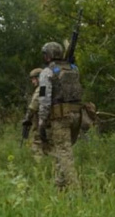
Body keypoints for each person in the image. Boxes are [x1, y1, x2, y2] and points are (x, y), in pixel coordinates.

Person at [38, 42, 83, 189]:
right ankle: (60, 187)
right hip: (77, 116)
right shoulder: (74, 69)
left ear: (48, 55)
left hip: (60, 117)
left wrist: (42, 121)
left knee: (63, 152)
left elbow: (44, 97)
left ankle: (75, 189)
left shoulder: (47, 72)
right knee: (62, 151)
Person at [22, 67, 48, 161]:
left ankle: (39, 166)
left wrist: (27, 118)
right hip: (48, 122)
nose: (32, 82)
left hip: (41, 122)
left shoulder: (42, 88)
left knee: (37, 143)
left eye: (33, 79)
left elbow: (34, 104)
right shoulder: (49, 87)